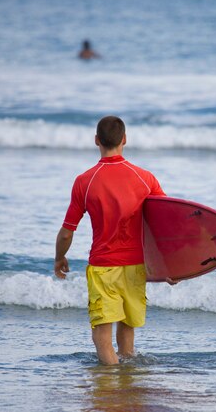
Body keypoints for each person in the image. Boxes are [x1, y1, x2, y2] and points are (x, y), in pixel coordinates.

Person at [54, 116, 165, 365]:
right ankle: (126, 386)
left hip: (104, 267)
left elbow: (66, 232)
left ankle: (110, 388)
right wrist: (171, 266)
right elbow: (165, 224)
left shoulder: (85, 181)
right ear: (124, 139)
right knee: (127, 327)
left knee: (101, 336)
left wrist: (60, 257)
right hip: (136, 267)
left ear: (96, 141)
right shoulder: (145, 178)